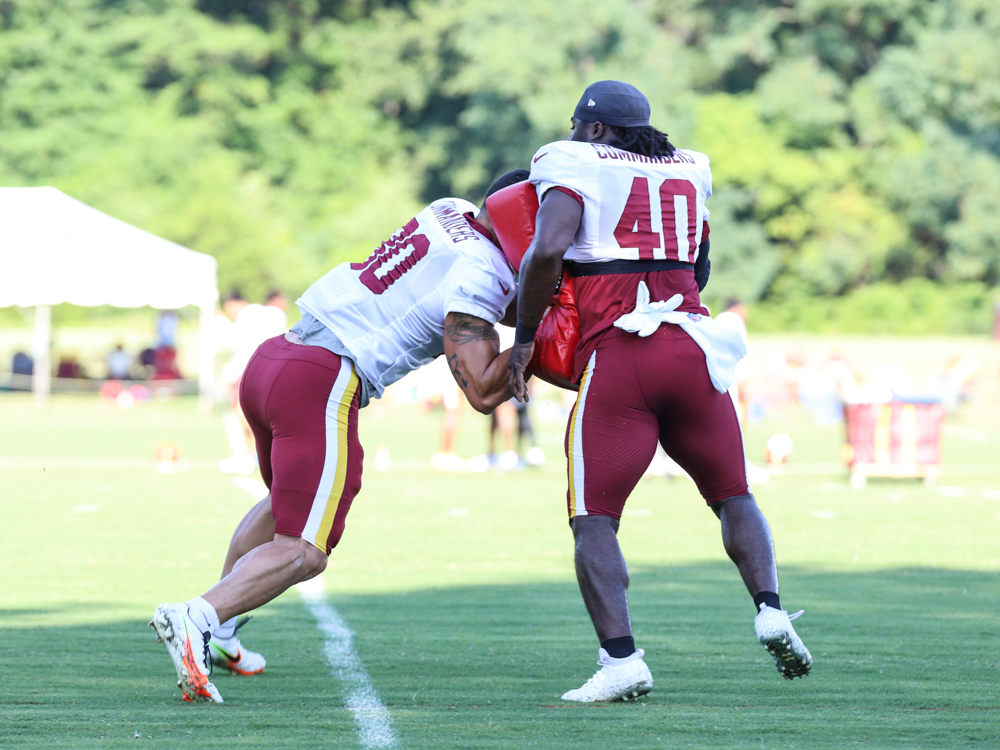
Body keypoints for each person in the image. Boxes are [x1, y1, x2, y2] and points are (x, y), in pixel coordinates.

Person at [149, 169, 529, 703]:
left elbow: (478, 284)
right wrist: (550, 333)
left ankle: (223, 632)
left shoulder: (449, 210)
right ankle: (198, 617)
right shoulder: (484, 270)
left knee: (282, 507)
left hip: (275, 356)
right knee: (305, 550)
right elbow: (484, 391)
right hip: (322, 378)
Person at [507, 81, 811, 702]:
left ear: (594, 128)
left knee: (594, 517)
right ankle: (770, 609)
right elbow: (700, 265)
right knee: (734, 494)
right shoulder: (689, 167)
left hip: (622, 354)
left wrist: (525, 336)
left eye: (577, 125)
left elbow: (548, 248)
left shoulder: (570, 160)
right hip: (695, 348)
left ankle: (621, 660)